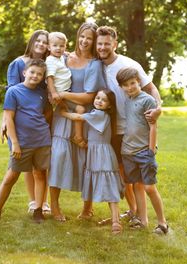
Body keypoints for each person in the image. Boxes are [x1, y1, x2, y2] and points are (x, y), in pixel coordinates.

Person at [96, 26, 162, 223]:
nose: (102, 47)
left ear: (115, 44)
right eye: (99, 44)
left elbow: (150, 87)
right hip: (112, 128)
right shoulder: (97, 65)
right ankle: (133, 211)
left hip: (133, 128)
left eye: (107, 44)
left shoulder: (128, 64)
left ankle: (141, 217)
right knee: (124, 175)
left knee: (137, 178)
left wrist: (158, 108)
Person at [0, 60, 51, 223]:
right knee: (11, 176)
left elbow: (48, 113)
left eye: (39, 74)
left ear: (42, 78)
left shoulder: (42, 93)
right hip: (22, 143)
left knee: (40, 174)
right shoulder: (13, 91)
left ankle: (38, 210)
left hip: (42, 140)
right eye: (32, 72)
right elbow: (9, 119)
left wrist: (39, 125)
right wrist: (15, 143)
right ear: (24, 72)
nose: (35, 76)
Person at [49, 22, 106, 221]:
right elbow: (51, 77)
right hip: (63, 113)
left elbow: (90, 97)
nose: (84, 41)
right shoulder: (64, 58)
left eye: (89, 38)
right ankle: (54, 206)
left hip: (84, 115)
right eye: (82, 36)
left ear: (93, 41)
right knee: (58, 157)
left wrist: (63, 94)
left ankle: (87, 208)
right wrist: (55, 96)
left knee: (85, 160)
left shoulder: (94, 64)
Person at [60, 89, 124, 234]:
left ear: (109, 105)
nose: (99, 101)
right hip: (96, 153)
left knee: (109, 186)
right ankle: (86, 212)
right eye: (97, 98)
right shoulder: (100, 115)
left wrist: (63, 113)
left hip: (103, 156)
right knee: (95, 181)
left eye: (104, 100)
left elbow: (78, 117)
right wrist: (84, 144)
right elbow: (96, 137)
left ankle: (116, 221)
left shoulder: (99, 114)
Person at [1, 29, 51, 214]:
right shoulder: (18, 63)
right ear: (32, 41)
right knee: (25, 162)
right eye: (38, 40)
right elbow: (11, 93)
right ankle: (33, 202)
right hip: (21, 121)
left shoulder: (48, 64)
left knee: (41, 164)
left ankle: (42, 203)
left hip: (42, 116)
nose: (41, 44)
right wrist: (4, 121)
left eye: (45, 42)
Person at [116, 67, 168, 234]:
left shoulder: (147, 101)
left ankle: (162, 223)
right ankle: (142, 220)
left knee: (149, 188)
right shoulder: (127, 101)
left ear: (138, 81)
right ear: (121, 87)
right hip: (128, 152)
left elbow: (153, 126)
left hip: (144, 152)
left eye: (133, 83)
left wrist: (151, 151)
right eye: (126, 85)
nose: (130, 87)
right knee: (137, 185)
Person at [46, 32, 86, 148]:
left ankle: (64, 111)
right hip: (59, 93)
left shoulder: (60, 58)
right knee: (80, 108)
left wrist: (66, 54)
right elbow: (50, 78)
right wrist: (53, 93)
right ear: (49, 47)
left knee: (70, 107)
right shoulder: (51, 61)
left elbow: (64, 55)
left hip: (65, 92)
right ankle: (78, 137)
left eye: (62, 46)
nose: (58, 48)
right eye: (55, 45)